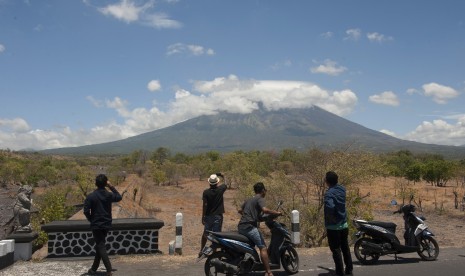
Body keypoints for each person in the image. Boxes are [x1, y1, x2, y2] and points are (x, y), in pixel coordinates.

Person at [237, 182, 281, 276]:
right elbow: (265, 210)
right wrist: (276, 213)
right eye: (265, 190)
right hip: (249, 227)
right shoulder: (260, 198)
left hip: (241, 226)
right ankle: (268, 272)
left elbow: (240, 210)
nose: (265, 192)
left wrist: (250, 216)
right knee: (263, 247)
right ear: (262, 191)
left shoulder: (249, 199)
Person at [84, 174, 122, 276]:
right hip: (106, 224)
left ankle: (108, 270)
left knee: (100, 246)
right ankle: (93, 269)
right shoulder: (108, 195)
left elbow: (86, 211)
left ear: (96, 183)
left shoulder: (91, 196)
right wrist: (111, 186)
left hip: (96, 225)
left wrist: (91, 219)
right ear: (105, 183)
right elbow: (119, 197)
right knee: (99, 246)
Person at [324, 171, 353, 276]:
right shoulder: (342, 189)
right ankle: (349, 270)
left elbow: (330, 207)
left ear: (327, 181)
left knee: (336, 250)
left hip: (333, 227)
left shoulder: (329, 193)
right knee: (345, 248)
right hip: (344, 224)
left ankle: (340, 272)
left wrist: (331, 218)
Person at [199, 173, 227, 256]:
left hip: (208, 216)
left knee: (205, 233)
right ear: (217, 183)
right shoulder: (220, 190)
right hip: (218, 216)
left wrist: (203, 216)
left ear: (209, 183)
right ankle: (215, 252)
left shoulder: (206, 192)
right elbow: (226, 184)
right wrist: (222, 176)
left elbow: (204, 205)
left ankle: (201, 250)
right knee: (216, 234)